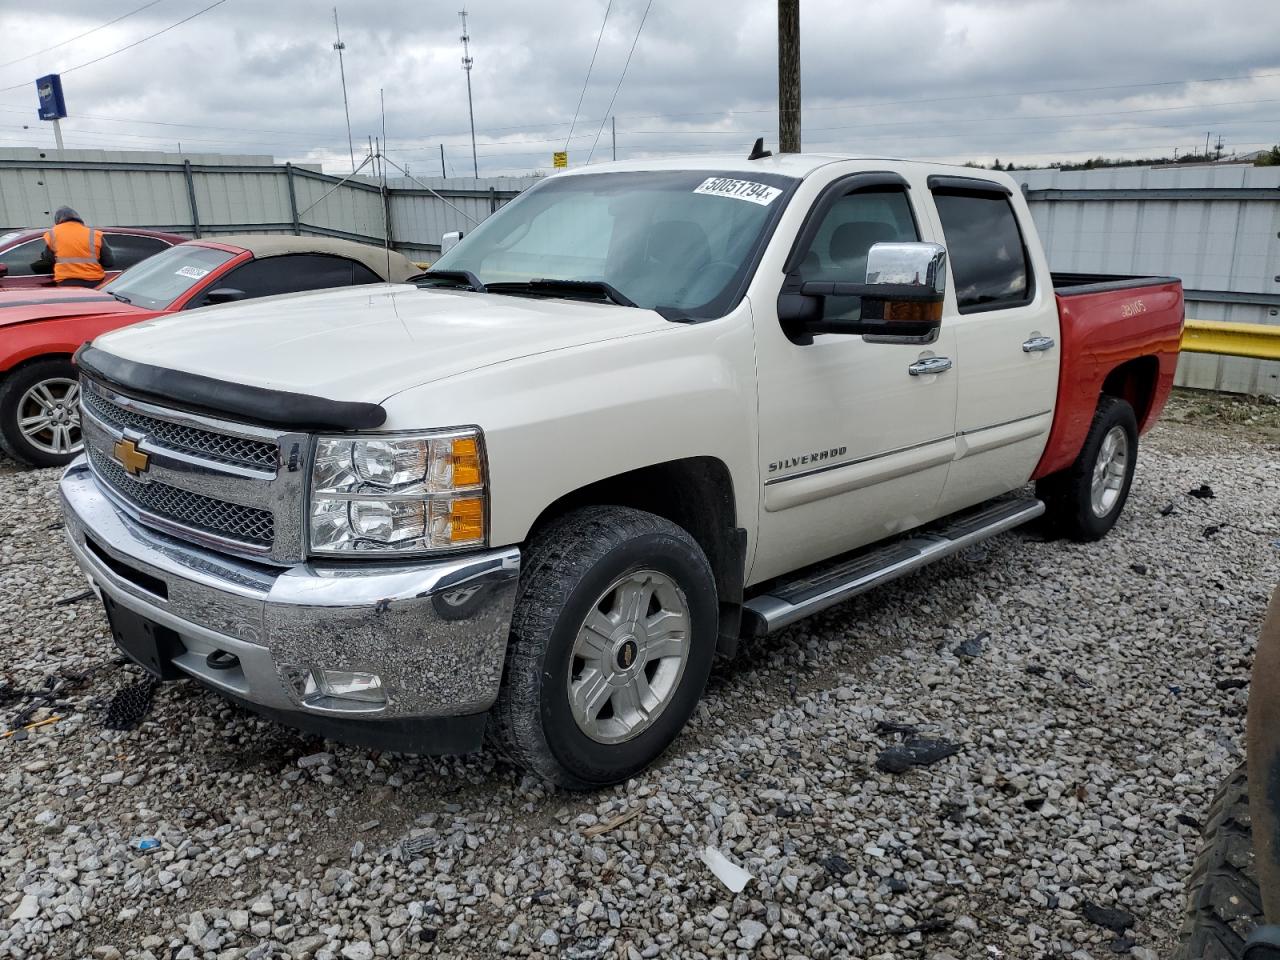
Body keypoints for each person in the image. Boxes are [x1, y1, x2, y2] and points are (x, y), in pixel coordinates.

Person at [30, 206, 114, 287]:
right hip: (94, 282)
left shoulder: (52, 234)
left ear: (57, 220)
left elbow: (49, 259)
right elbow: (109, 262)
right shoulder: (94, 234)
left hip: (66, 282)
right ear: (79, 218)